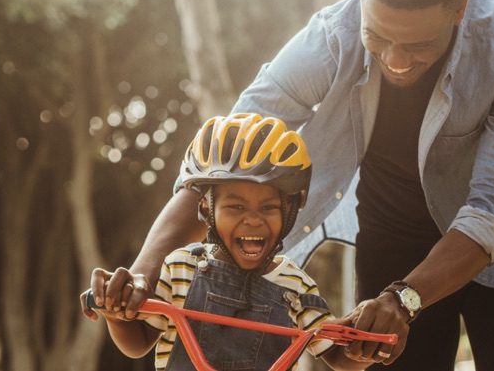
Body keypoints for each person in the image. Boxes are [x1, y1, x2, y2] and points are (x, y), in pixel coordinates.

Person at [123, 0, 494, 370]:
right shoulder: (329, 37)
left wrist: (407, 299)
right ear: (362, 0)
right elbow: (226, 157)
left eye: (418, 45)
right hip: (394, 235)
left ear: (460, 9)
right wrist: (144, 274)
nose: (397, 61)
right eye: (378, 38)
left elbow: (490, 213)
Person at [83, 114, 370, 371]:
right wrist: (116, 315)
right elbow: (138, 343)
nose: (254, 220)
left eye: (269, 208)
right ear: (207, 210)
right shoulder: (180, 268)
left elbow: (336, 354)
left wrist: (363, 346)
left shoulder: (295, 285)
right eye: (236, 207)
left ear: (290, 210)